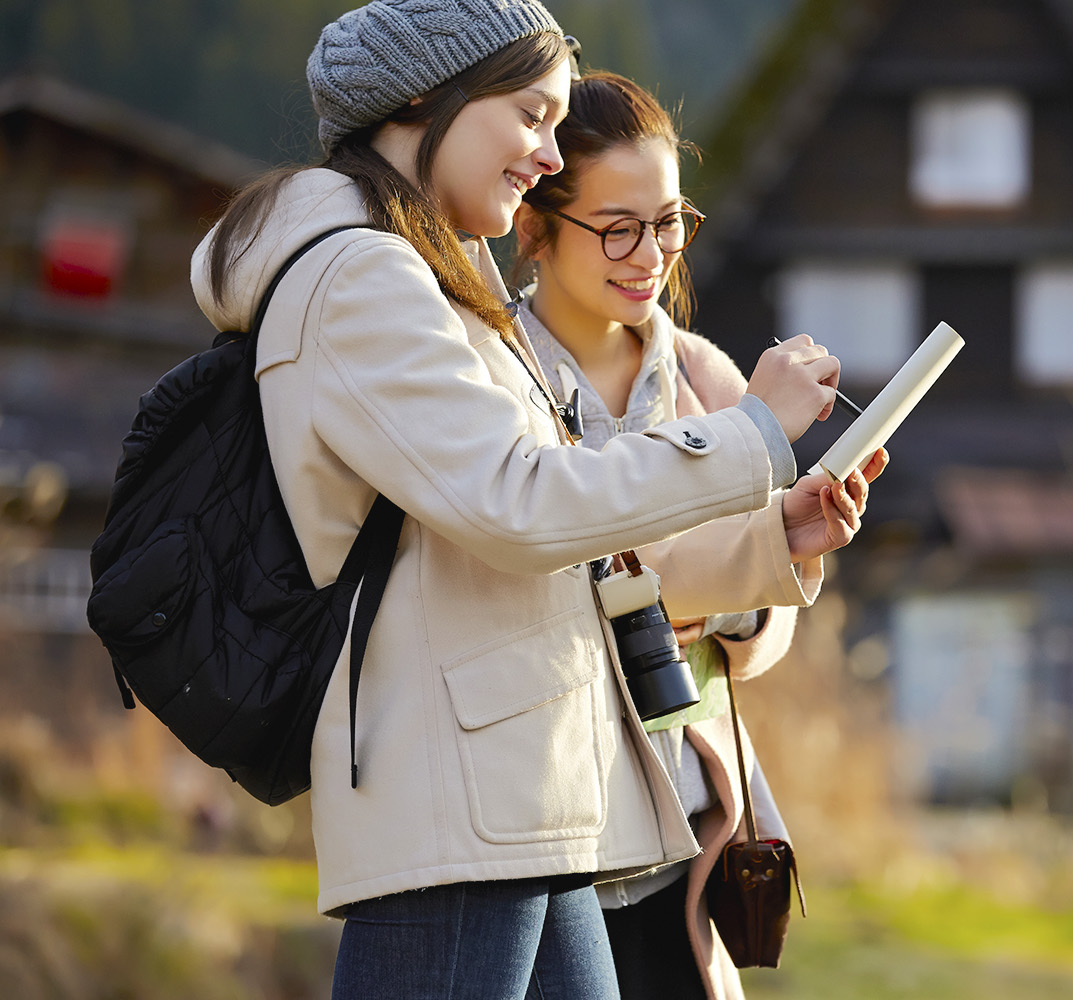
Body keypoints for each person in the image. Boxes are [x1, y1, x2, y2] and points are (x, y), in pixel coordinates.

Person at [188, 2, 871, 997]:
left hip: (523, 782)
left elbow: (556, 531)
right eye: (531, 115)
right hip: (463, 790)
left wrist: (772, 540)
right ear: (428, 103)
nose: (549, 153)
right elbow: (518, 502)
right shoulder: (362, 276)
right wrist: (749, 434)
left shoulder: (417, 264)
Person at [512, 71, 886, 1000]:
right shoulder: (495, 382)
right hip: (547, 823)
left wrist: (776, 571)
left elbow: (763, 633)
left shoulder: (704, 377)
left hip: (689, 819)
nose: (651, 256)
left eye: (670, 221)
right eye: (617, 227)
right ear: (533, 226)